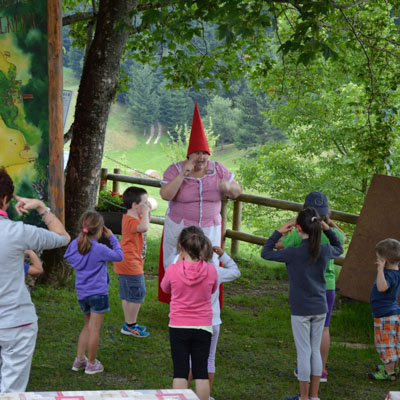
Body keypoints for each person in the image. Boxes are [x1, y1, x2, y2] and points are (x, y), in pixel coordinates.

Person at [158, 102, 242, 303]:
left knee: (209, 265)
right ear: (189, 155)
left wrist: (229, 188)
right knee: (178, 264)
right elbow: (165, 195)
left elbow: (237, 191)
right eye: (197, 153)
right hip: (180, 227)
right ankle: (179, 303)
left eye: (204, 153)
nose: (201, 157)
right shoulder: (175, 169)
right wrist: (183, 173)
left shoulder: (218, 169)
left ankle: (206, 305)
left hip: (210, 227)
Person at [0, 168, 70, 392]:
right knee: (11, 392)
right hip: (15, 323)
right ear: (5, 199)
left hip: (15, 323)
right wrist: (41, 207)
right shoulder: (17, 232)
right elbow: (63, 238)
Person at [261, 207, 343, 400]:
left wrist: (278, 232)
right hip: (320, 307)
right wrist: (328, 230)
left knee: (304, 351)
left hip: (300, 310)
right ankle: (314, 397)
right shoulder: (324, 250)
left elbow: (266, 252)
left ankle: (304, 397)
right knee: (314, 350)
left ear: (298, 228)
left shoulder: (292, 253)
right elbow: (339, 247)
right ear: (318, 227)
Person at [276, 191, 346, 382]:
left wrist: (291, 225)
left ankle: (305, 368)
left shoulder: (302, 233)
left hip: (306, 287)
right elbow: (342, 240)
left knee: (305, 331)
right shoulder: (330, 234)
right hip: (328, 286)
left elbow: (279, 244)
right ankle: (321, 369)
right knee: (324, 328)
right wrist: (330, 225)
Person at [160, 226, 218, 400]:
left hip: (178, 325)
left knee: (180, 372)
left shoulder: (172, 269)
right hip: (203, 327)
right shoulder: (211, 270)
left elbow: (165, 288)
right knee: (201, 372)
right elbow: (213, 289)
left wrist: (176, 265)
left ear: (180, 247)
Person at [65, 211, 123, 374]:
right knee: (95, 329)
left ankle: (79, 360)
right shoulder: (100, 249)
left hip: (82, 293)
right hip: (98, 293)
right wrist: (112, 237)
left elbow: (68, 255)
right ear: (99, 230)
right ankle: (91, 364)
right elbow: (119, 256)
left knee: (87, 326)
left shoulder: (75, 245)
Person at [188, 245, 241, 400]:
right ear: (211, 254)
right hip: (212, 322)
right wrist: (223, 256)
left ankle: (181, 393)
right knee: (209, 359)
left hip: (193, 322)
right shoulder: (216, 271)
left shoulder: (187, 271)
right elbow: (236, 271)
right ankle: (206, 395)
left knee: (190, 358)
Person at [114, 186, 151, 338]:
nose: (147, 204)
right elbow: (145, 227)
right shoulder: (130, 221)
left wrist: (145, 211)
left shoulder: (133, 217)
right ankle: (130, 326)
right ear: (135, 205)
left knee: (128, 295)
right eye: (145, 202)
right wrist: (147, 212)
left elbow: (144, 222)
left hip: (127, 262)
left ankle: (129, 323)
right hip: (130, 263)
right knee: (137, 294)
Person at [368, 238, 400, 381]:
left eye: (378, 258)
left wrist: (380, 269)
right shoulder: (397, 271)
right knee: (394, 342)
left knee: (385, 343)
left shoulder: (388, 275)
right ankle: (393, 367)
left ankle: (389, 372)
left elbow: (382, 287)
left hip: (385, 316)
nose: (377, 260)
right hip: (393, 314)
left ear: (385, 260)